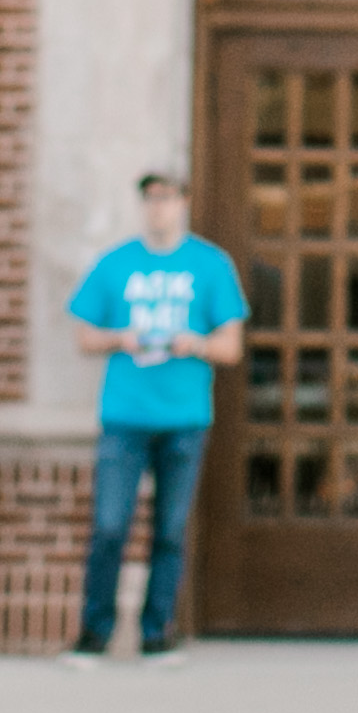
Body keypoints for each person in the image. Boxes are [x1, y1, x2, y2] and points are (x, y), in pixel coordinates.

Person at [65, 169, 246, 666]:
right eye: (150, 199)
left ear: (184, 202)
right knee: (109, 527)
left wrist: (198, 344)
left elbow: (231, 346)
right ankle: (94, 632)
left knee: (169, 529)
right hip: (124, 417)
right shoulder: (116, 264)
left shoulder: (209, 265)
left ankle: (156, 632)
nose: (158, 207)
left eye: (167, 198)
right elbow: (84, 335)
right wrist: (118, 338)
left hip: (185, 416)